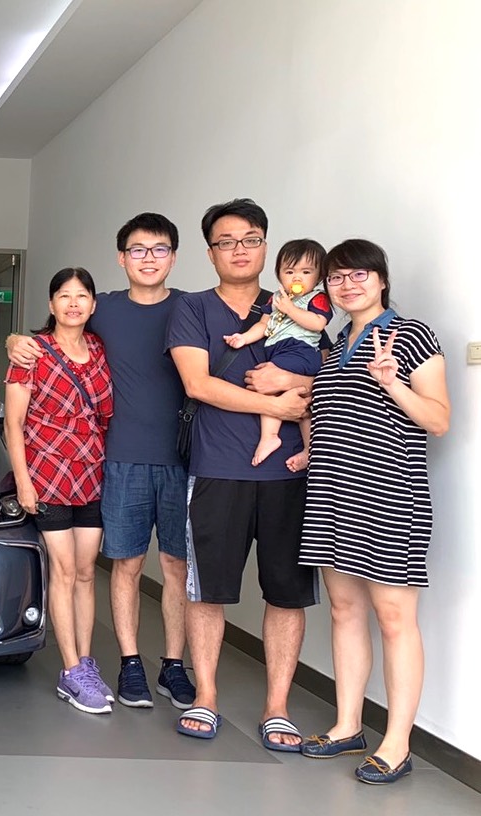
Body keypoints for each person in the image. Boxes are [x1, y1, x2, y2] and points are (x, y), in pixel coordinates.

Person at [8, 212, 197, 710]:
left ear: (174, 256)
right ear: (121, 258)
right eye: (138, 249)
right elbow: (40, 345)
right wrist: (14, 341)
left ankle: (173, 666)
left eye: (159, 249)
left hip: (173, 460)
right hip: (114, 463)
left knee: (174, 567)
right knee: (122, 566)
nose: (148, 258)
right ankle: (126, 665)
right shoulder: (104, 309)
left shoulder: (191, 308)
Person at [298, 239, 449, 785]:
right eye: (337, 277)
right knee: (344, 611)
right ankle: (347, 726)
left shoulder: (410, 335)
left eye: (359, 274)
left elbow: (439, 419)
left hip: (389, 497)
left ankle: (398, 744)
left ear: (381, 279)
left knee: (393, 618)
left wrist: (392, 383)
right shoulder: (335, 342)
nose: (348, 284)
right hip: (331, 496)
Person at [165, 198, 313, 748]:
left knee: (287, 595)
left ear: (266, 246)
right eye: (226, 242)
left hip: (288, 475)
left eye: (250, 239)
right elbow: (198, 384)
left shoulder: (297, 307)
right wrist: (274, 404)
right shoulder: (193, 308)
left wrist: (293, 385)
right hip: (217, 469)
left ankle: (278, 707)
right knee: (208, 592)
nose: (240, 250)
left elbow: (329, 373)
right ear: (210, 253)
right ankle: (205, 696)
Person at [5, 267, 115, 714]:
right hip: (48, 475)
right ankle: (71, 671)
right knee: (64, 571)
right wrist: (23, 482)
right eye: (64, 296)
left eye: (82, 295)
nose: (73, 303)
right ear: (51, 304)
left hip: (92, 474)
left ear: (93, 304)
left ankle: (86, 663)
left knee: (87, 572)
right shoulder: (30, 354)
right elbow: (13, 424)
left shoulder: (100, 349)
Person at [223, 239, 332, 471]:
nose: (297, 278)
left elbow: (318, 323)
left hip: (300, 350)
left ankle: (270, 436)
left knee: (268, 384)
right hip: (280, 350)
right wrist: (243, 338)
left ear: (319, 276)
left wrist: (290, 309)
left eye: (306, 272)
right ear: (279, 274)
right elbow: (264, 325)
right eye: (289, 272)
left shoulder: (317, 298)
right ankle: (309, 449)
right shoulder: (276, 298)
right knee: (302, 402)